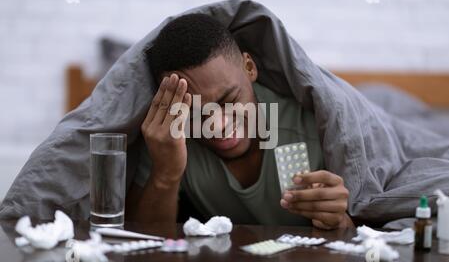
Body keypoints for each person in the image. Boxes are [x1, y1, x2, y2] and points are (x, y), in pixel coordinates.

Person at [125, 14, 353, 230]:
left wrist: (339, 221)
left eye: (229, 100)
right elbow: (143, 245)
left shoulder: (314, 127)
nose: (218, 125)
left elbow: (365, 233)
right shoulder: (167, 136)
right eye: (195, 114)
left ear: (250, 68)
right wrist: (166, 173)